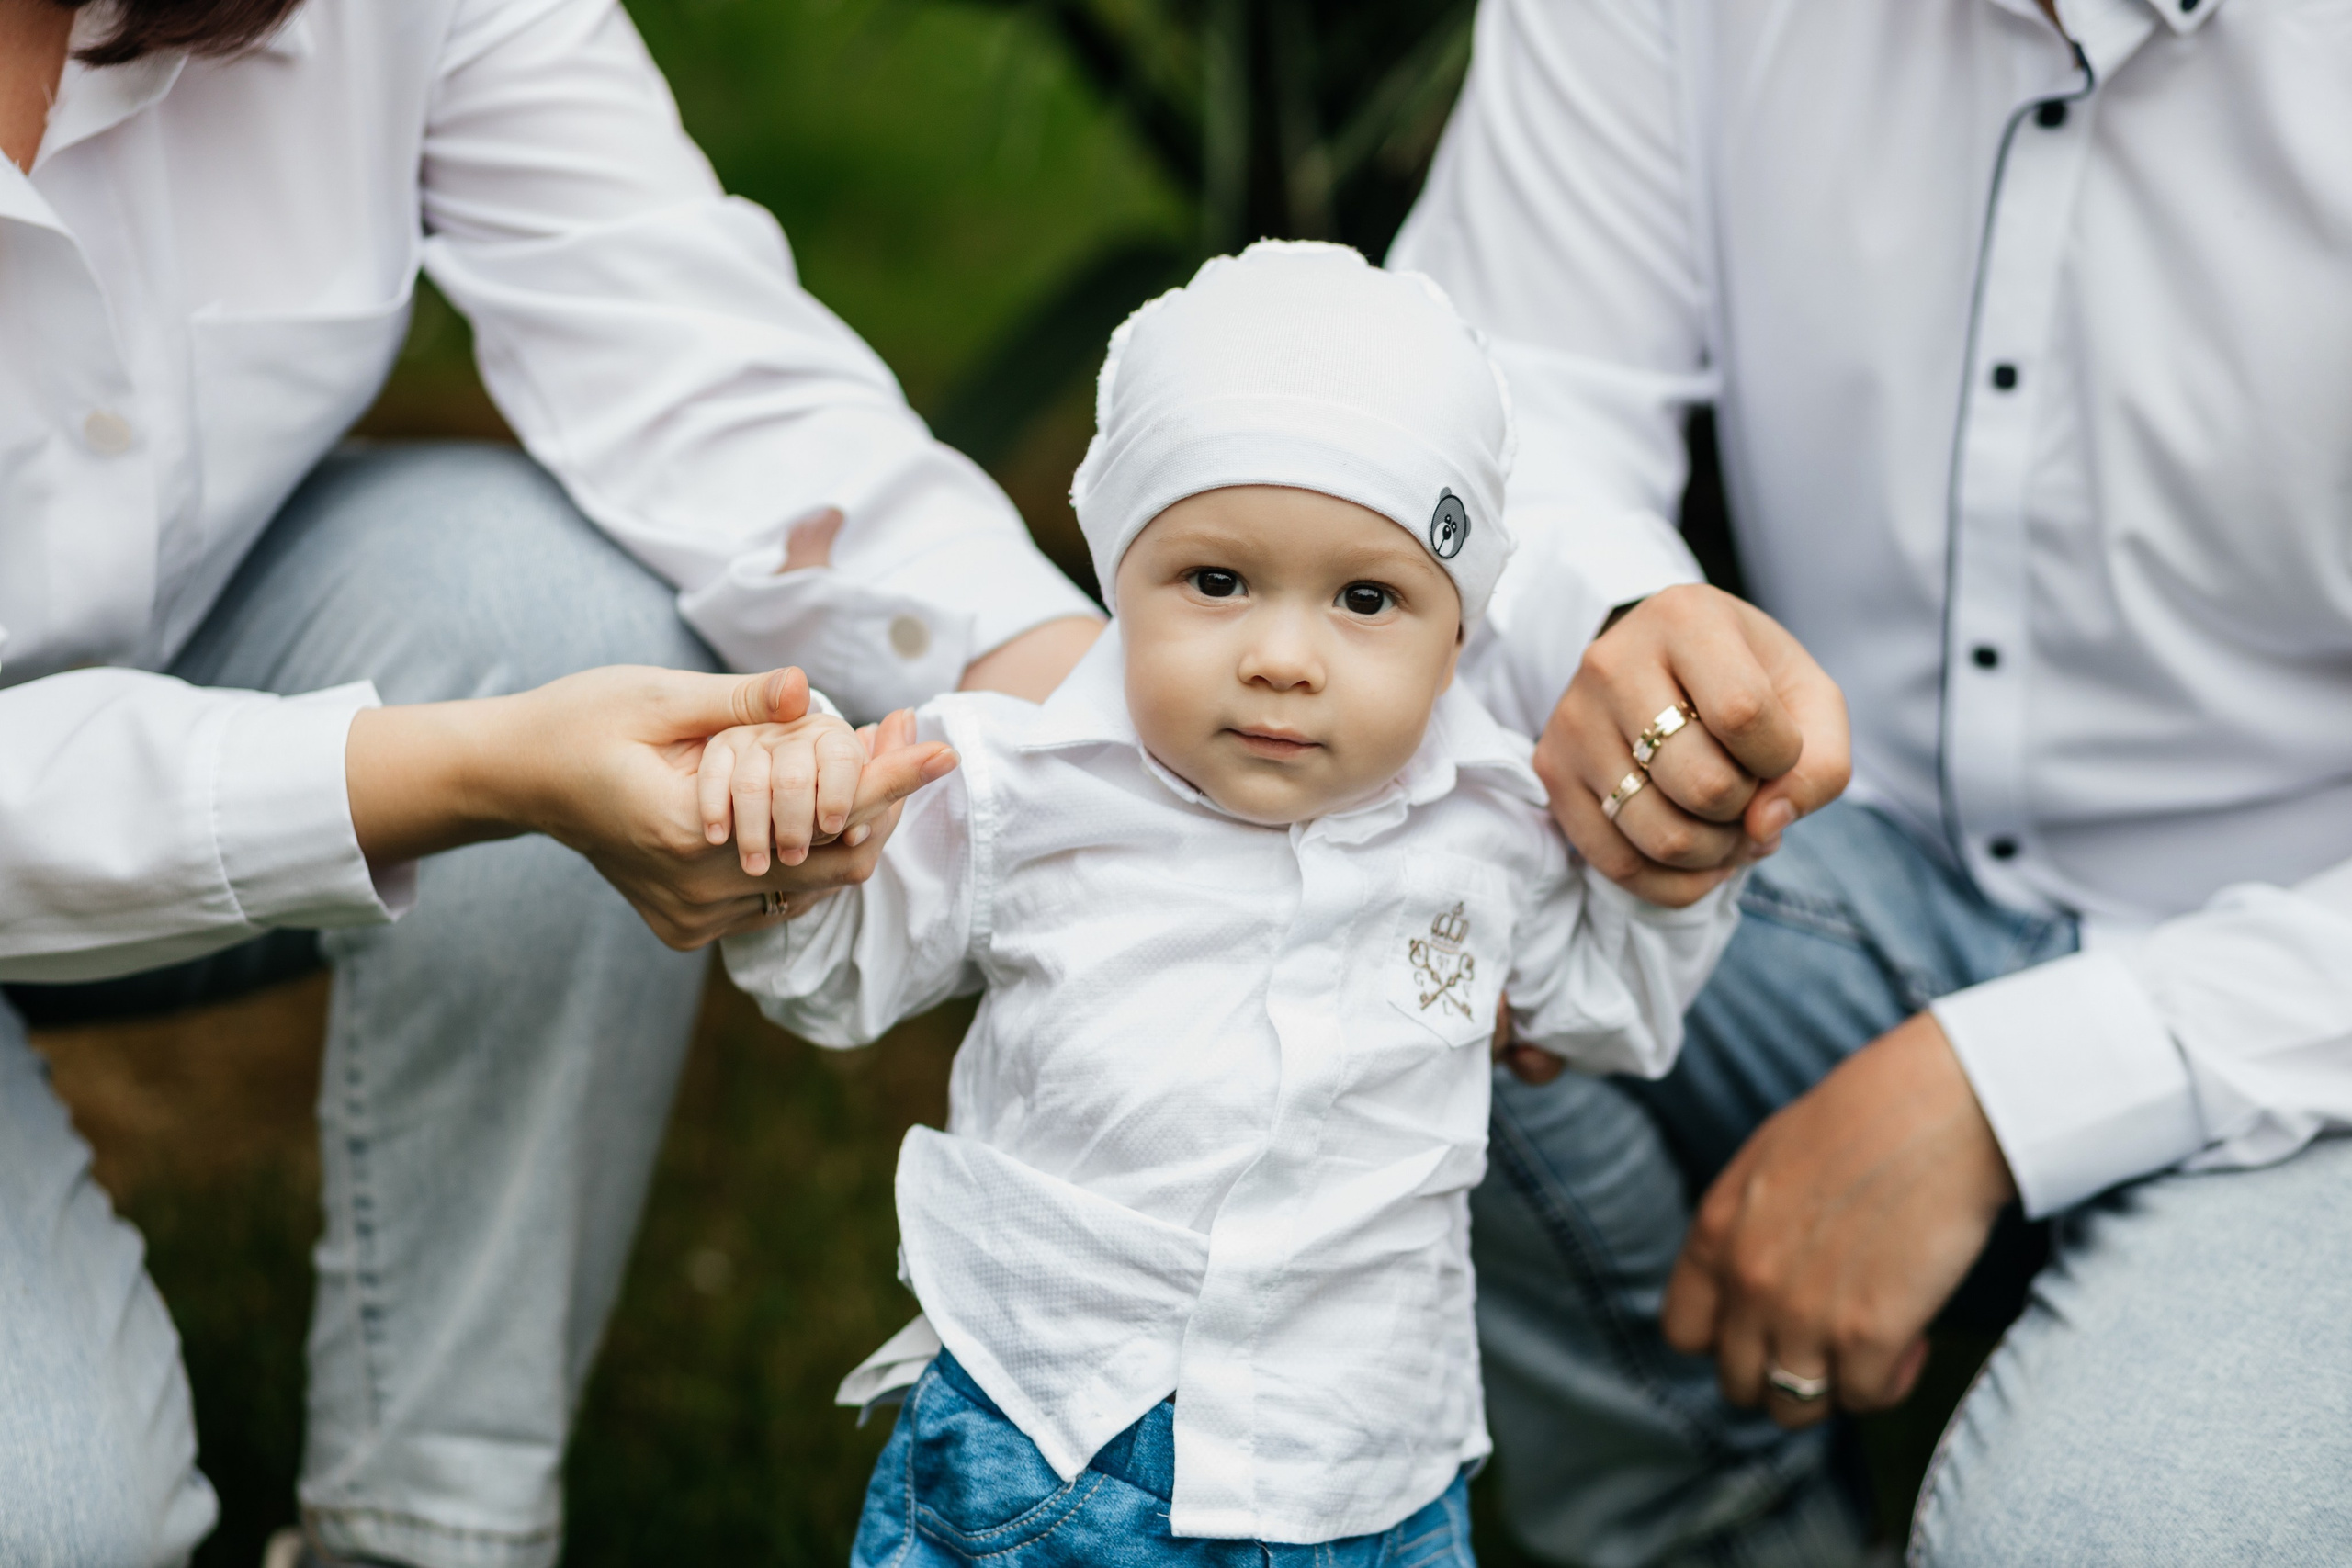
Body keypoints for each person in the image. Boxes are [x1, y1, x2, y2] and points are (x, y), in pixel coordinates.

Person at [0, 0, 1102, 1563]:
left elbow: (701, 360)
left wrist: (1105, 735)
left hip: (191, 659)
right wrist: (469, 769)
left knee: (552, 606)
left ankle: (430, 1533)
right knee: (64, 1529)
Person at [1385, 0, 2352, 1562]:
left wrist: (1996, 1092)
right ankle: (1696, 1527)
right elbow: (1487, 385)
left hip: (2323, 1052)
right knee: (1377, 846)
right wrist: (1621, 623)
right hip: (1840, 872)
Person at [711, 243, 1746, 1563]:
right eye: (1216, 581)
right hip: (1051, 1435)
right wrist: (789, 840)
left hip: (1367, 1469)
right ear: (1117, 575)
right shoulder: (1030, 784)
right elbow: (830, 978)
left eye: (1366, 599)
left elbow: (1610, 1009)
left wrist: (1686, 856)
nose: (1279, 656)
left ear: (1458, 633)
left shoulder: (1491, 821)